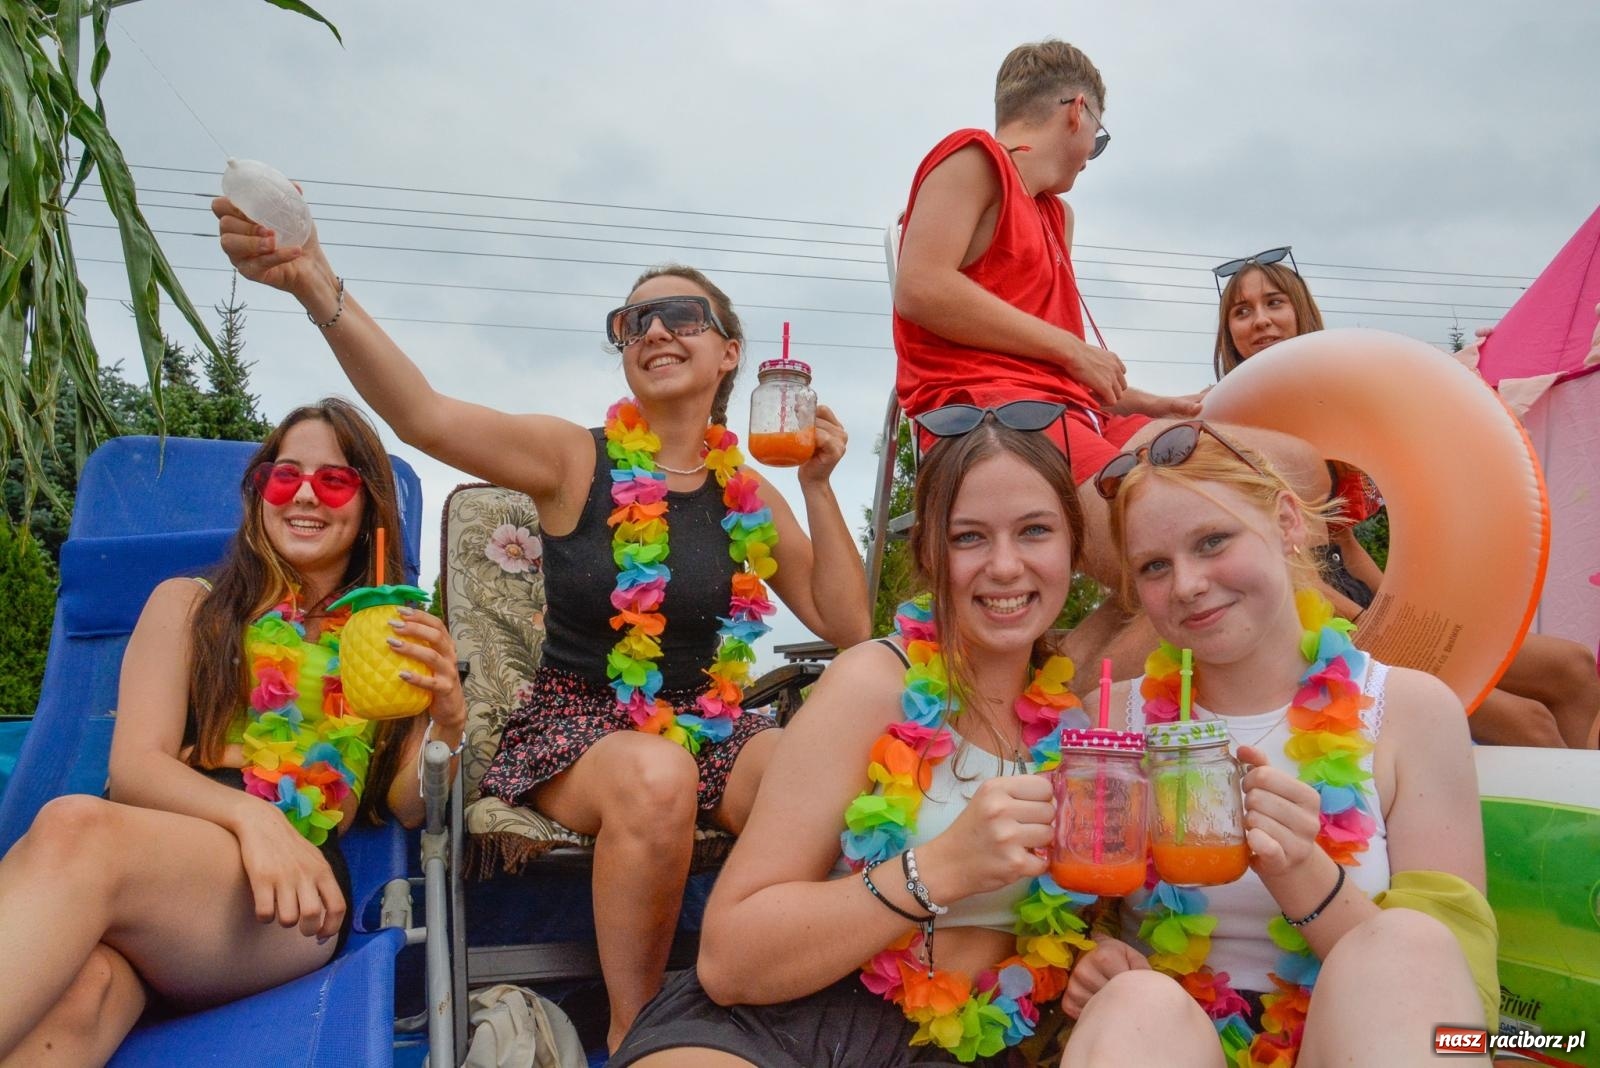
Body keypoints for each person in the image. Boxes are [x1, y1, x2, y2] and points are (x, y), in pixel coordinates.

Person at [215, 204, 872, 1050]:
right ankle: (640, 1034)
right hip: (578, 727)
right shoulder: (573, 459)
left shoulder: (747, 493)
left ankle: (753, 990)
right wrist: (313, 280)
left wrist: (818, 486)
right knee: (656, 778)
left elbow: (849, 625)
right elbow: (422, 414)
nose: (655, 331)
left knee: (809, 771)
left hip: (709, 725)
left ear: (729, 353)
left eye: (681, 316)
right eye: (635, 321)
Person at [610, 409, 1096, 1067]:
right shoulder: (875, 681)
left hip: (960, 1044)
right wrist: (938, 869)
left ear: (1074, 545)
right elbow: (728, 958)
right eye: (969, 537)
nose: (1005, 566)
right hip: (784, 1023)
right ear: (928, 552)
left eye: (1035, 531)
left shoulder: (1084, 727)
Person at [0, 398, 465, 1065]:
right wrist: (255, 821)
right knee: (83, 999)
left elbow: (405, 804)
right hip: (164, 876)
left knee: (75, 827)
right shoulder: (188, 603)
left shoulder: (386, 638)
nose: (305, 494)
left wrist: (448, 713)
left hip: (284, 899)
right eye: (285, 476)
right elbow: (137, 765)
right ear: (260, 492)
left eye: (334, 481)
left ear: (367, 508)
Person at [892, 40, 1330, 684]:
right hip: (1004, 426)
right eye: (1097, 137)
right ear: (1077, 113)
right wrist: (1074, 351)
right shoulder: (973, 157)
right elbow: (921, 286)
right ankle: (1078, 731)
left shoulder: (1055, 215)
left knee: (1298, 475)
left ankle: (1068, 684)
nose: (1091, 152)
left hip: (1077, 418)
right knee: (1195, 562)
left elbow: (1058, 364)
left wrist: (1150, 404)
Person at [1064, 420, 1496, 1067]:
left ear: (1288, 522)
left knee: (1410, 942)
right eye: (1154, 566)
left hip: (1360, 1040)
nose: (1186, 584)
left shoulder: (1409, 709)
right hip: (1173, 1044)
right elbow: (1062, 916)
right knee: (1135, 1003)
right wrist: (1090, 960)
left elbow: (1453, 988)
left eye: (1212, 541)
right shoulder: (1110, 719)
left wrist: (1302, 872)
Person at [1215, 252, 1600, 749]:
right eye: (1242, 311)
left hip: (1356, 599)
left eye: (1274, 303)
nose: (1261, 320)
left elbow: (1345, 544)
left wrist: (1394, 605)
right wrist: (1370, 623)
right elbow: (1274, 564)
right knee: (1528, 723)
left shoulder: (1329, 406)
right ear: (1229, 332)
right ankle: (1544, 824)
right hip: (1303, 615)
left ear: (1300, 312)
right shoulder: (1229, 427)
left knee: (1575, 668)